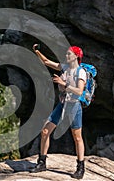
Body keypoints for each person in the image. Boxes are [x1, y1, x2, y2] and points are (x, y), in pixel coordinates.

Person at [30, 44, 86, 179]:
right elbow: (46, 62)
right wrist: (37, 51)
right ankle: (42, 162)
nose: (66, 56)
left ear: (76, 57)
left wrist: (63, 83)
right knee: (44, 132)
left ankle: (80, 167)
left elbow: (79, 91)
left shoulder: (81, 72)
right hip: (62, 105)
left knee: (77, 137)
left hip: (74, 106)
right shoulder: (65, 67)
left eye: (69, 54)